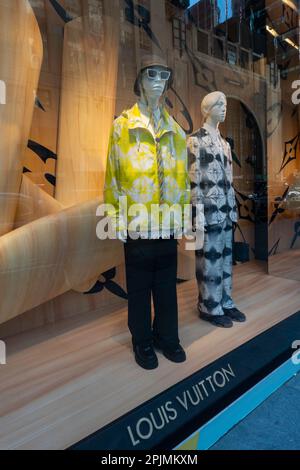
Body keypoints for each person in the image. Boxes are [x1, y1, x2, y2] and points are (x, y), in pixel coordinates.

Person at [104, 54, 190, 369]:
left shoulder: (176, 132)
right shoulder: (121, 127)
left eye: (164, 76)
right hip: (137, 225)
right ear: (139, 80)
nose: (158, 82)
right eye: (151, 75)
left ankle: (167, 336)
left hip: (166, 225)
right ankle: (141, 340)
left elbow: (183, 182)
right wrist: (114, 218)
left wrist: (183, 220)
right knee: (139, 289)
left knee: (166, 287)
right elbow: (111, 175)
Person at [187, 91, 246, 328]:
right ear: (206, 109)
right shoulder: (194, 140)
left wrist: (233, 207)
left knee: (225, 260)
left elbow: (230, 179)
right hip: (207, 210)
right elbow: (192, 179)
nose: (224, 108)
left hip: (225, 209)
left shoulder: (224, 143)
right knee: (208, 260)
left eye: (225, 104)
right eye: (219, 104)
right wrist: (196, 215)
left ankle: (226, 301)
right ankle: (209, 307)